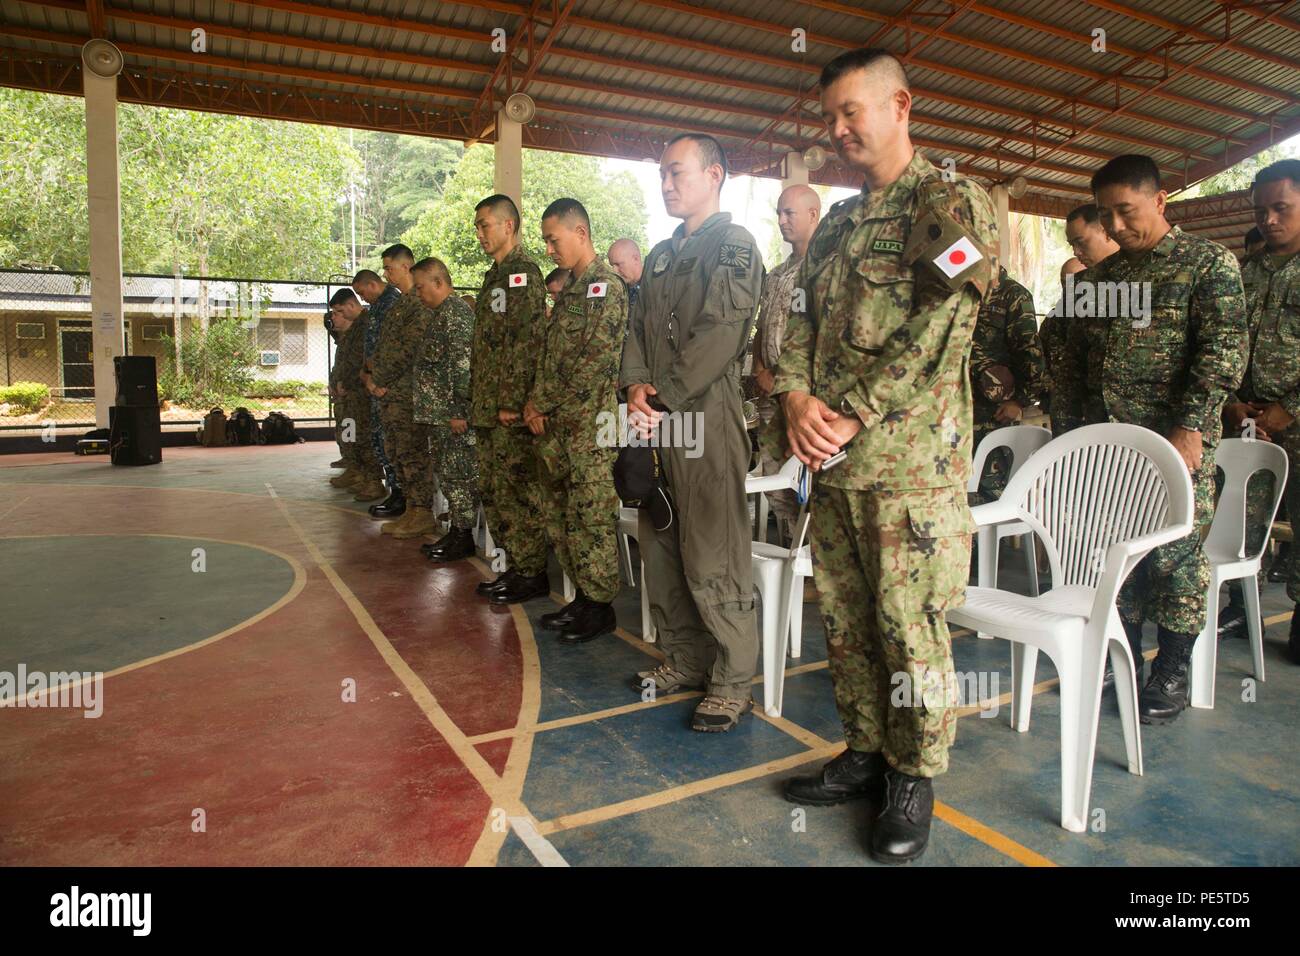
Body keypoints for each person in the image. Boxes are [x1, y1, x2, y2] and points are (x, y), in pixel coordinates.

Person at [773, 48, 995, 864]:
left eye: (849, 113)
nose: (836, 131)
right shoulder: (832, 223)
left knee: (910, 629)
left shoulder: (949, 202)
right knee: (846, 620)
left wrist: (853, 413)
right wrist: (795, 398)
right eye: (827, 118)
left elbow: (944, 328)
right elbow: (798, 317)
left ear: (900, 104)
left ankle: (913, 775)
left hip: (907, 469)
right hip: (832, 462)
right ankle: (864, 750)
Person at [1054, 153, 1247, 724]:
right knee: (1117, 556)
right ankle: (1126, 665)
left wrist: (1190, 428)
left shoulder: (1205, 265)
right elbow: (1066, 361)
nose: (1114, 226)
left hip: (1173, 442)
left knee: (1175, 558)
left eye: (1126, 211)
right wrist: (1071, 440)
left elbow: (1221, 352)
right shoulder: (1099, 281)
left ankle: (1172, 671)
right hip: (1109, 447)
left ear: (1160, 201)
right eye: (1105, 214)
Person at [620, 132, 764, 732]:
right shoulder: (657, 257)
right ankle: (685, 658)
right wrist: (633, 387)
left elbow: (722, 332)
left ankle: (732, 679)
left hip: (703, 416)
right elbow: (634, 331)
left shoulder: (734, 245)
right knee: (661, 540)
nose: (668, 184)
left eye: (678, 172)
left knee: (713, 548)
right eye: (663, 175)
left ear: (715, 174)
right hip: (653, 416)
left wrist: (661, 396)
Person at [524, 199, 627, 644]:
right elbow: (551, 358)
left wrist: (540, 403)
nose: (548, 249)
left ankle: (600, 605)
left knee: (591, 514)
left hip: (590, 425)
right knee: (562, 514)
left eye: (554, 239)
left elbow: (592, 361)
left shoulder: (608, 286)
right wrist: (537, 403)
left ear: (580, 233)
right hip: (558, 425)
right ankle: (584, 595)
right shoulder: (569, 289)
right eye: (546, 240)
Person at [1219, 159, 1300, 664]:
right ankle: (1238, 606)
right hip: (1247, 422)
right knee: (1240, 523)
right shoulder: (1241, 273)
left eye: (1281, 208)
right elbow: (1219, 342)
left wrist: (1288, 410)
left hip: (1292, 419)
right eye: (1262, 210)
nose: (1269, 220)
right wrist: (1229, 401)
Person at [469, 194, 551, 604]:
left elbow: (526, 343)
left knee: (517, 490)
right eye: (478, 226)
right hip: (486, 407)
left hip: (508, 409)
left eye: (485, 224)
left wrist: (511, 401)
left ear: (508, 226)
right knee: (495, 491)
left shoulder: (523, 274)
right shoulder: (493, 276)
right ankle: (517, 566)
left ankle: (532, 572)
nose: (480, 232)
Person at [752, 184, 821, 542]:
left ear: (813, 214)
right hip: (769, 398)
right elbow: (762, 328)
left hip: (804, 398)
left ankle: (812, 565)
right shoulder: (777, 274)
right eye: (779, 213)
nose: (781, 220)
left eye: (789, 213)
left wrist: (786, 381)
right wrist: (761, 370)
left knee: (810, 484)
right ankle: (792, 554)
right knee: (776, 482)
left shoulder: (826, 269)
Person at [410, 257, 481, 563]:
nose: (417, 293)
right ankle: (457, 530)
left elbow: (463, 366)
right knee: (448, 475)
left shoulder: (456, 315)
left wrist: (459, 410)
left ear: (439, 283)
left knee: (458, 475)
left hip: (451, 415)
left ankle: (463, 535)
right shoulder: (440, 315)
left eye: (420, 287)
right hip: (438, 415)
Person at [368, 243, 439, 540]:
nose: (386, 274)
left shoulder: (418, 303)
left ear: (406, 266)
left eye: (389, 268)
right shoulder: (399, 304)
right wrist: (375, 378)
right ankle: (411, 508)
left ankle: (421, 512)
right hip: (391, 394)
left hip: (408, 394)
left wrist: (380, 377)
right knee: (397, 452)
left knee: (412, 455)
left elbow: (409, 349)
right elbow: (385, 348)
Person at [968, 265, 1045, 502]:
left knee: (991, 489)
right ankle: (969, 540)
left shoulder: (1012, 295)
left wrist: (1020, 401)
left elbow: (1030, 353)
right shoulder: (955, 291)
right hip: (955, 409)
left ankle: (995, 540)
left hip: (993, 412)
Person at [352, 269, 404, 511]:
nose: (363, 299)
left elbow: (390, 348)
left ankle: (399, 493)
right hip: (375, 380)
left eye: (362, 293)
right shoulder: (377, 307)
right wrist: (367, 373)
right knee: (381, 440)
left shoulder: (391, 303)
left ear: (372, 285)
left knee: (390, 441)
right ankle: (394, 490)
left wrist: (376, 376)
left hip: (387, 384)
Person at [326, 288, 382, 499]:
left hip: (360, 394)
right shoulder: (350, 332)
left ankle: (372, 480)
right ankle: (357, 472)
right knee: (351, 436)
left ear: (351, 305)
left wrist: (347, 383)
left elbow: (361, 362)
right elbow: (341, 363)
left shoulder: (366, 326)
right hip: (349, 394)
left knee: (364, 438)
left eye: (339, 311)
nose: (335, 316)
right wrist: (336, 383)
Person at [1041, 254, 1089, 437]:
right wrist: (1053, 389)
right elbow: (1038, 360)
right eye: (1064, 282)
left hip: (1096, 411)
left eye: (1076, 282)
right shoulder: (1053, 320)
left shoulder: (1104, 316)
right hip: (1063, 413)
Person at [1065, 202, 1120, 269]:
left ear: (1107, 233)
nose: (1076, 253)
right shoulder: (1076, 277)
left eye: (1080, 243)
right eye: (1072, 245)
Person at [608, 238, 644, 308]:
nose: (614, 271)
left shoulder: (655, 288)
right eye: (612, 265)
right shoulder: (616, 289)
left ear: (635, 259)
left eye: (618, 264)